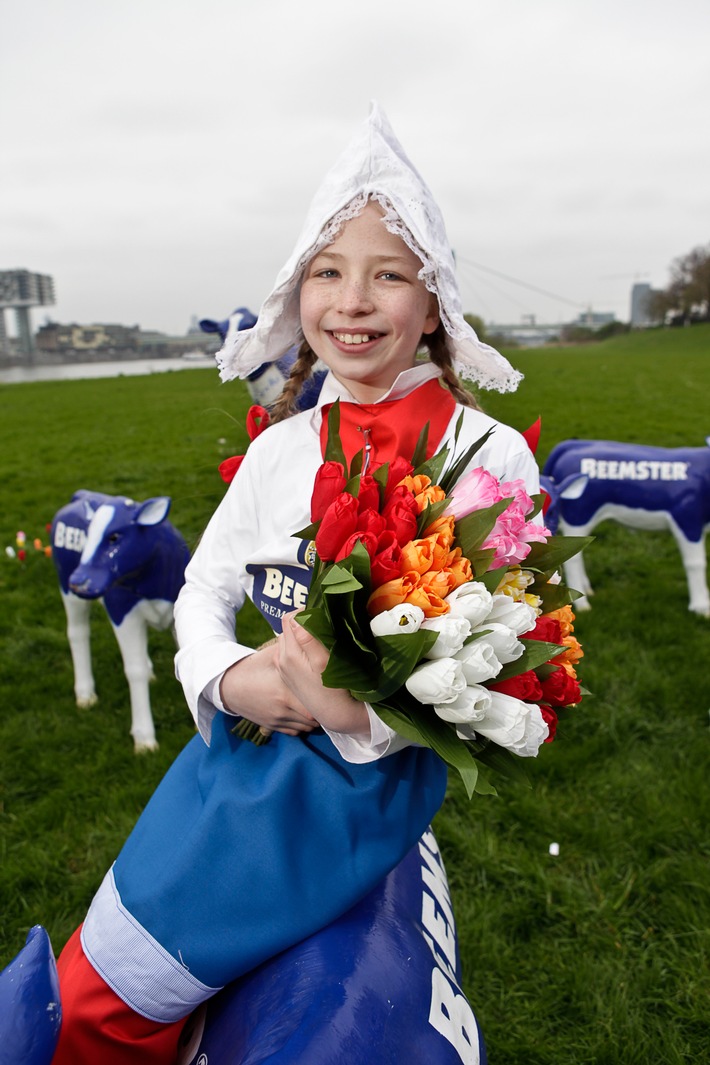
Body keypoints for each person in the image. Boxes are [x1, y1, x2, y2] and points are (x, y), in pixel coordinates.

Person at [53, 102, 539, 1063]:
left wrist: (360, 714)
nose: (353, 302)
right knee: (95, 994)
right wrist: (235, 679)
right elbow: (199, 591)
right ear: (296, 294)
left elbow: (505, 657)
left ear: (433, 301)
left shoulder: (490, 454)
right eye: (328, 272)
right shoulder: (280, 449)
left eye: (388, 275)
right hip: (231, 761)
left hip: (357, 796)